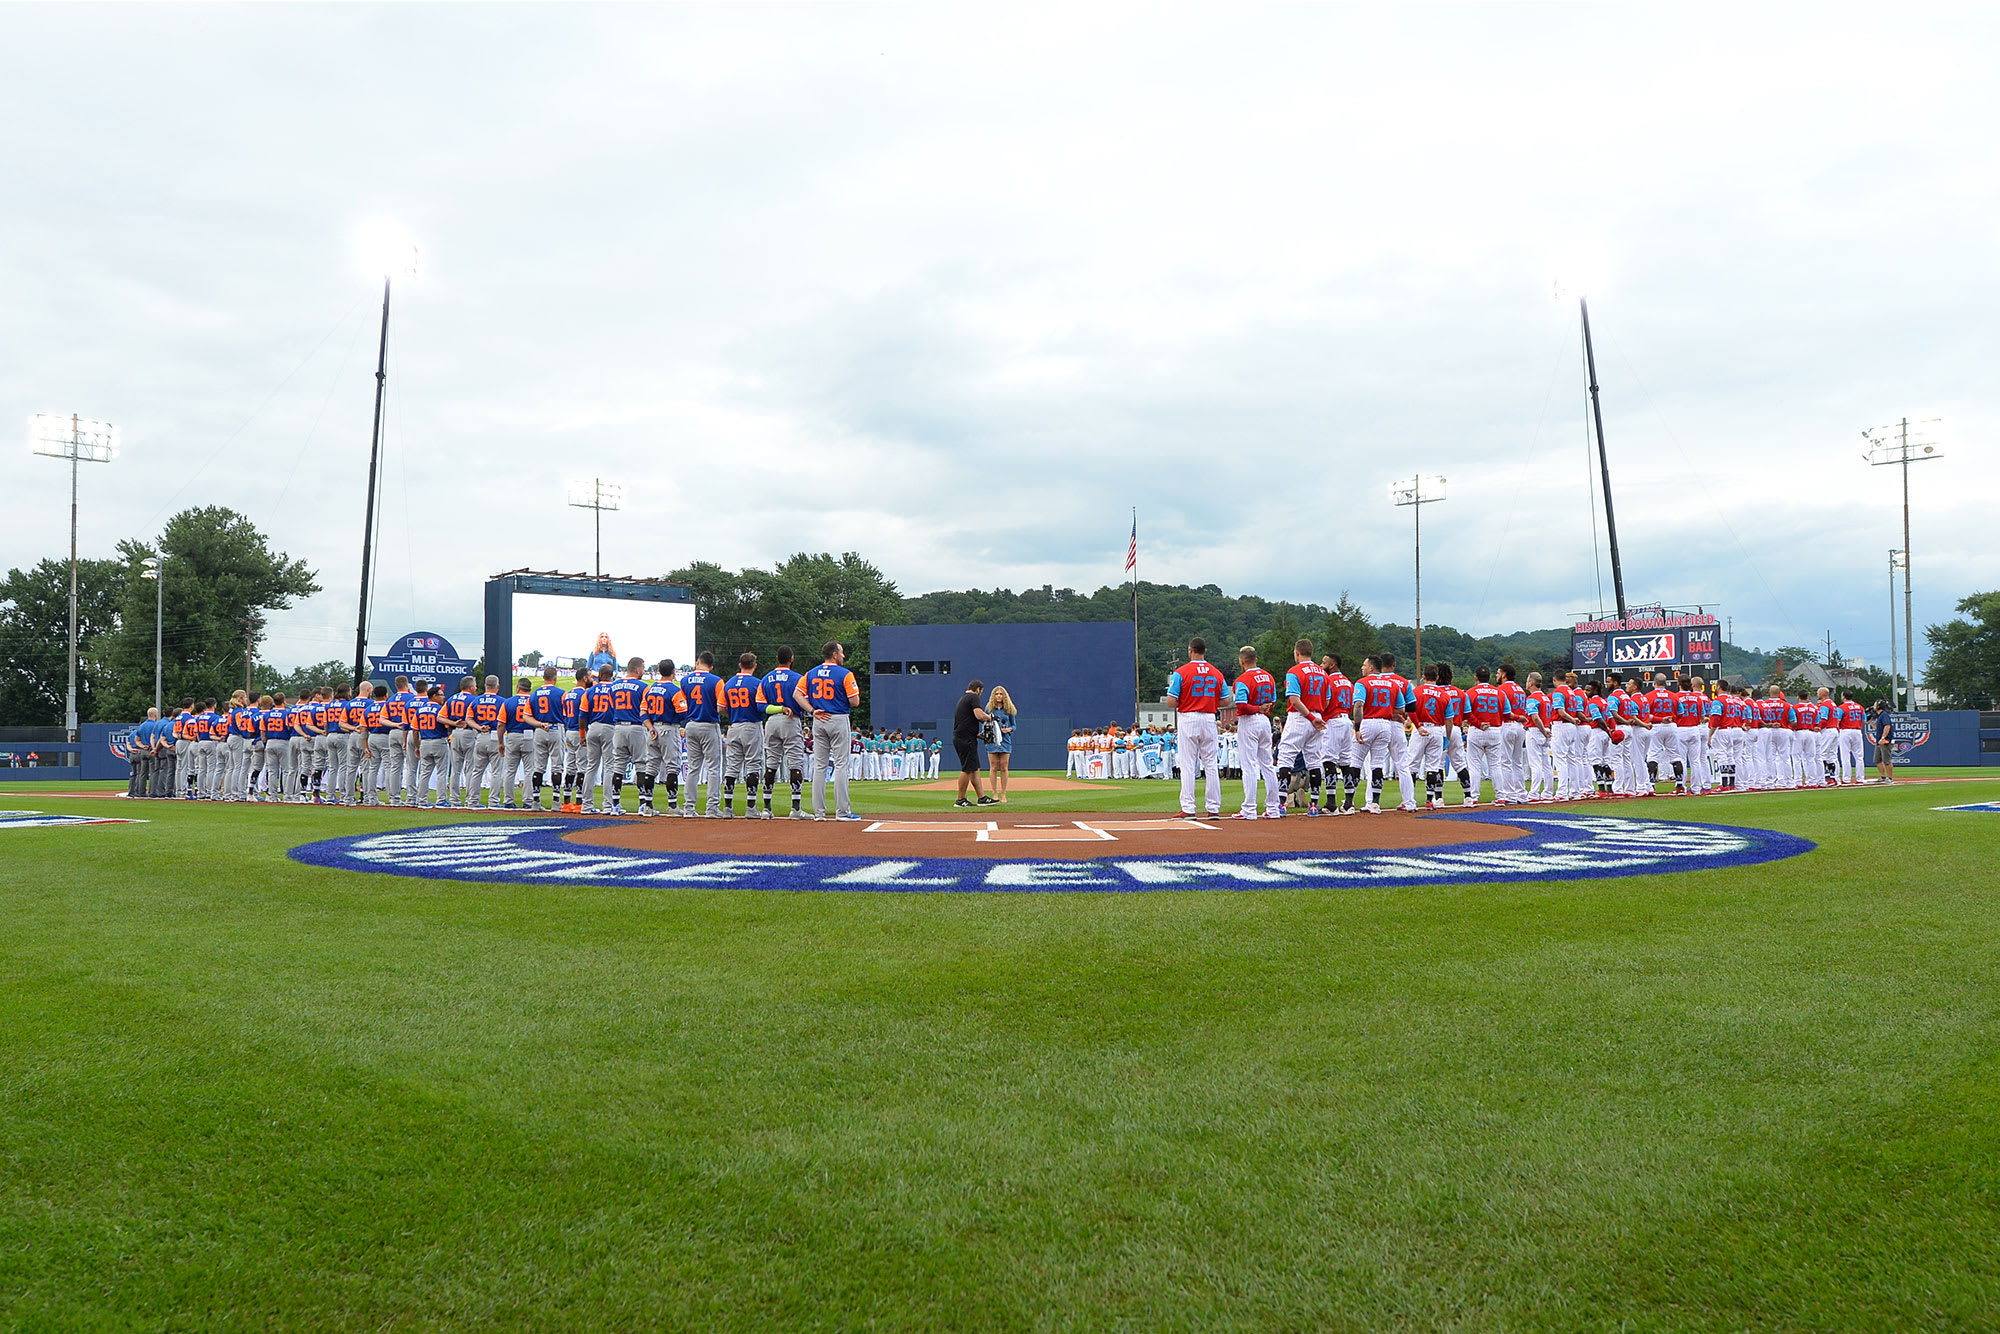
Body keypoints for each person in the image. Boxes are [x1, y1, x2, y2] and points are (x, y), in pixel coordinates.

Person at [794, 641, 862, 821]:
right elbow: (855, 701)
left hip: (818, 719)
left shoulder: (811, 673)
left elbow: (797, 694)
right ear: (834, 654)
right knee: (841, 765)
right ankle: (842, 811)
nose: (843, 656)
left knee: (820, 766)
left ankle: (819, 813)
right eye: (842, 652)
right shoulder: (845, 674)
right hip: (838, 718)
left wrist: (811, 710)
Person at [1168, 638, 1228, 818]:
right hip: (1209, 717)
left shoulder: (1181, 672)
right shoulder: (1217, 673)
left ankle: (1189, 807)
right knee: (1211, 764)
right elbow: (1226, 700)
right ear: (1205, 650)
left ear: (1190, 651)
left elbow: (1171, 701)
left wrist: (1187, 699)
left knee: (1188, 764)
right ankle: (1214, 808)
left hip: (1189, 717)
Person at [1230, 646, 1279, 819]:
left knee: (1249, 765)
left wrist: (1257, 708)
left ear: (1242, 661)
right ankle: (1273, 808)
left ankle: (1249, 808)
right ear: (1256, 659)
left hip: (1249, 720)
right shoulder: (1269, 677)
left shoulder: (1242, 679)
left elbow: (1241, 704)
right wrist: (1263, 709)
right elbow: (1273, 700)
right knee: (1267, 764)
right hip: (1264, 720)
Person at [760, 647, 807, 819]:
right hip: (791, 719)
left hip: (772, 720)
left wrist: (778, 708)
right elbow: (804, 700)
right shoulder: (798, 678)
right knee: (795, 764)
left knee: (771, 764)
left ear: (777, 658)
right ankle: (795, 809)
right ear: (791, 659)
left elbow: (760, 705)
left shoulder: (766, 679)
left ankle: (766, 808)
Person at [721, 652, 768, 818]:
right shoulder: (757, 683)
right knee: (753, 765)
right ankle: (751, 807)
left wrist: (734, 711)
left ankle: (727, 807)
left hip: (734, 726)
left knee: (732, 767)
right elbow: (762, 706)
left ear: (739, 664)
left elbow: (721, 708)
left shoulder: (728, 684)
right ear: (754, 666)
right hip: (751, 725)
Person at [952, 680, 998, 807]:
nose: (980, 694)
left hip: (966, 737)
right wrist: (990, 718)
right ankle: (960, 800)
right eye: (981, 692)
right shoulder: (973, 697)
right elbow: (979, 715)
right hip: (965, 739)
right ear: (978, 689)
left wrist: (977, 734)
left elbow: (965, 721)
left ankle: (982, 798)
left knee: (975, 769)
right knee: (967, 769)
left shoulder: (964, 698)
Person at [984, 685, 1017, 803]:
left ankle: (1003, 793)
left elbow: (1014, 725)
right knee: (993, 766)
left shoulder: (1009, 709)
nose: (998, 696)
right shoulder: (988, 709)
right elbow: (984, 723)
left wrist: (1008, 730)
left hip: (1005, 740)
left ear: (1004, 696)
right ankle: (994, 793)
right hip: (992, 740)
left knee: (1004, 766)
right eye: (996, 694)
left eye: (1001, 694)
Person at [1871, 700, 1894, 783]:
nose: (1874, 706)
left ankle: (1890, 778)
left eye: (1875, 704)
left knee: (1886, 760)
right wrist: (1870, 722)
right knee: (1877, 760)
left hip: (1885, 741)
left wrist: (1883, 737)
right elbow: (1878, 728)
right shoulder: (1880, 716)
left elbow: (1887, 726)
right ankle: (1883, 776)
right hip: (1879, 741)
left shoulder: (1884, 715)